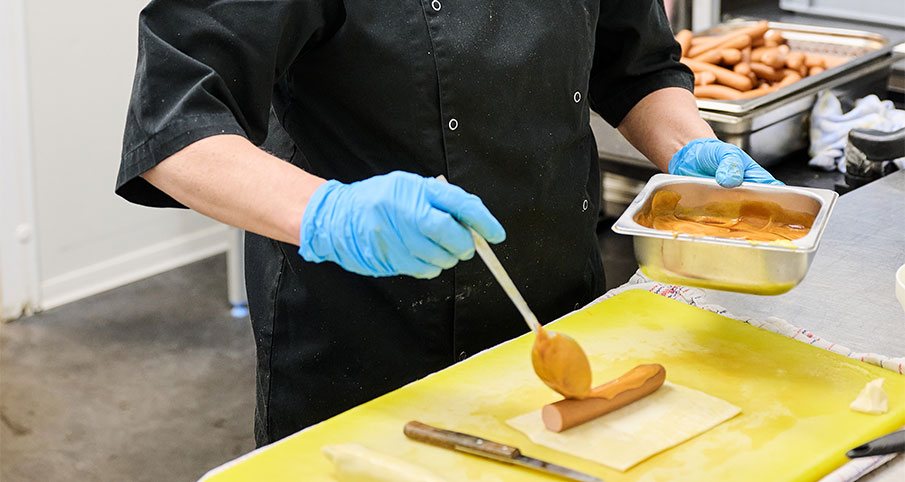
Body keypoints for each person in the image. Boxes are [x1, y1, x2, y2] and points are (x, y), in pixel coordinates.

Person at [116, 0, 781, 446]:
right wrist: (330, 212)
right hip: (370, 333)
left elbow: (634, 64)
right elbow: (174, 129)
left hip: (566, 306)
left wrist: (691, 153)